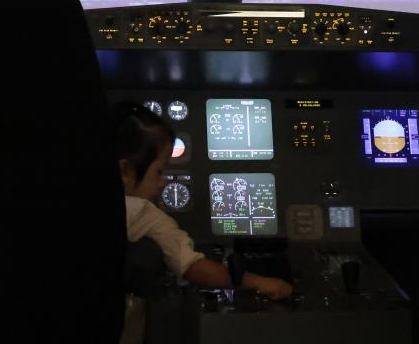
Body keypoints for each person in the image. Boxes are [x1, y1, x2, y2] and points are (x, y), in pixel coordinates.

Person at [114, 101, 293, 299]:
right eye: (159, 171)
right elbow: (191, 266)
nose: (162, 183)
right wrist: (261, 283)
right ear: (125, 171)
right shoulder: (143, 213)